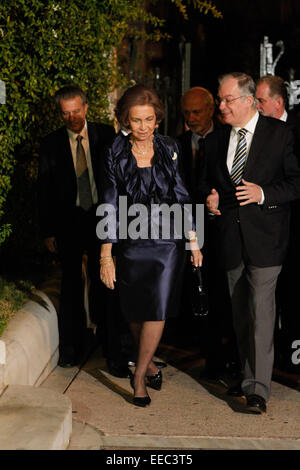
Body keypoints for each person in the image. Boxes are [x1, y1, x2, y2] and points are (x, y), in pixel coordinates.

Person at [200, 72, 300, 414]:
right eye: (220, 99)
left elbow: (295, 184)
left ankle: (258, 389)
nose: (221, 105)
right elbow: (206, 188)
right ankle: (247, 376)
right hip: (230, 239)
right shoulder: (213, 142)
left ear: (248, 101)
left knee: (261, 312)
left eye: (227, 99)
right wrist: (210, 202)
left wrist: (263, 194)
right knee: (241, 316)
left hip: (267, 241)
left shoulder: (280, 134)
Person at [98, 84, 202, 407]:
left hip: (166, 242)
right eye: (136, 120)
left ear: (157, 119)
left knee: (156, 307)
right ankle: (150, 362)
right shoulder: (114, 151)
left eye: (149, 119)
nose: (143, 127)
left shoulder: (170, 147)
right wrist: (106, 255)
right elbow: (109, 204)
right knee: (133, 309)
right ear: (126, 120)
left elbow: (183, 195)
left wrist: (194, 241)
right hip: (130, 239)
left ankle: (140, 375)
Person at [38, 84, 129, 375]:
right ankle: (71, 349)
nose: (72, 118)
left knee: (106, 283)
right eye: (65, 114)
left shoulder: (106, 135)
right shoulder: (51, 144)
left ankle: (111, 348)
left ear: (86, 108)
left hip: (102, 218)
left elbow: (119, 180)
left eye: (76, 111)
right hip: (69, 222)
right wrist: (48, 231)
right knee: (71, 287)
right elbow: (44, 190)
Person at [178, 86, 238, 380]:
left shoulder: (228, 138)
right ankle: (209, 356)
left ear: (211, 110)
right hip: (189, 228)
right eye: (186, 112)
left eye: (197, 112)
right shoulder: (176, 144)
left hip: (223, 228)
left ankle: (229, 358)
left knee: (224, 295)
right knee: (197, 292)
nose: (191, 118)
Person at [256, 75, 300, 374]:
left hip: (295, 228)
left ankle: (293, 355)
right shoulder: (252, 131)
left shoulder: (295, 130)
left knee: (294, 295)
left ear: (277, 102)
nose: (256, 106)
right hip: (263, 230)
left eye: (260, 101)